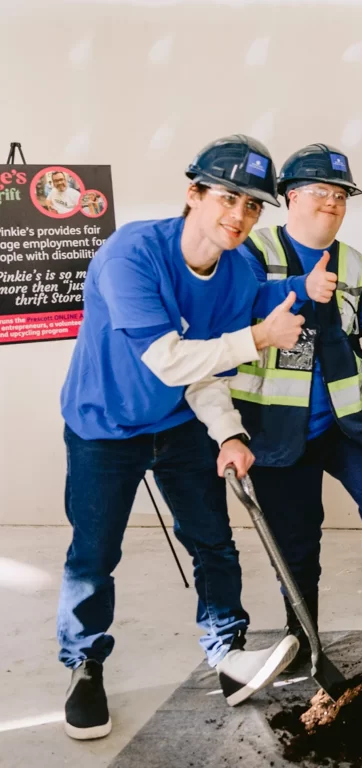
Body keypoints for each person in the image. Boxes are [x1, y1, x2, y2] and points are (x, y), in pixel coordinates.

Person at [57, 135, 304, 741]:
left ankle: (228, 656)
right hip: (103, 425)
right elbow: (168, 360)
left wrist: (229, 433)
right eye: (227, 198)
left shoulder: (240, 271)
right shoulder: (131, 254)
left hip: (177, 424)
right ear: (193, 193)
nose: (239, 215)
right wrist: (260, 338)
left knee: (212, 542)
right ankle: (85, 666)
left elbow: (205, 371)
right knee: (94, 556)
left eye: (253, 205)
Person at [231, 143, 362, 671]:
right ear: (290, 197)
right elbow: (234, 306)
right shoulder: (252, 251)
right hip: (276, 429)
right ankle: (302, 632)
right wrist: (299, 287)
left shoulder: (359, 267)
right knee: (296, 538)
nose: (333, 202)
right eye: (321, 191)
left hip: (348, 422)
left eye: (341, 195)